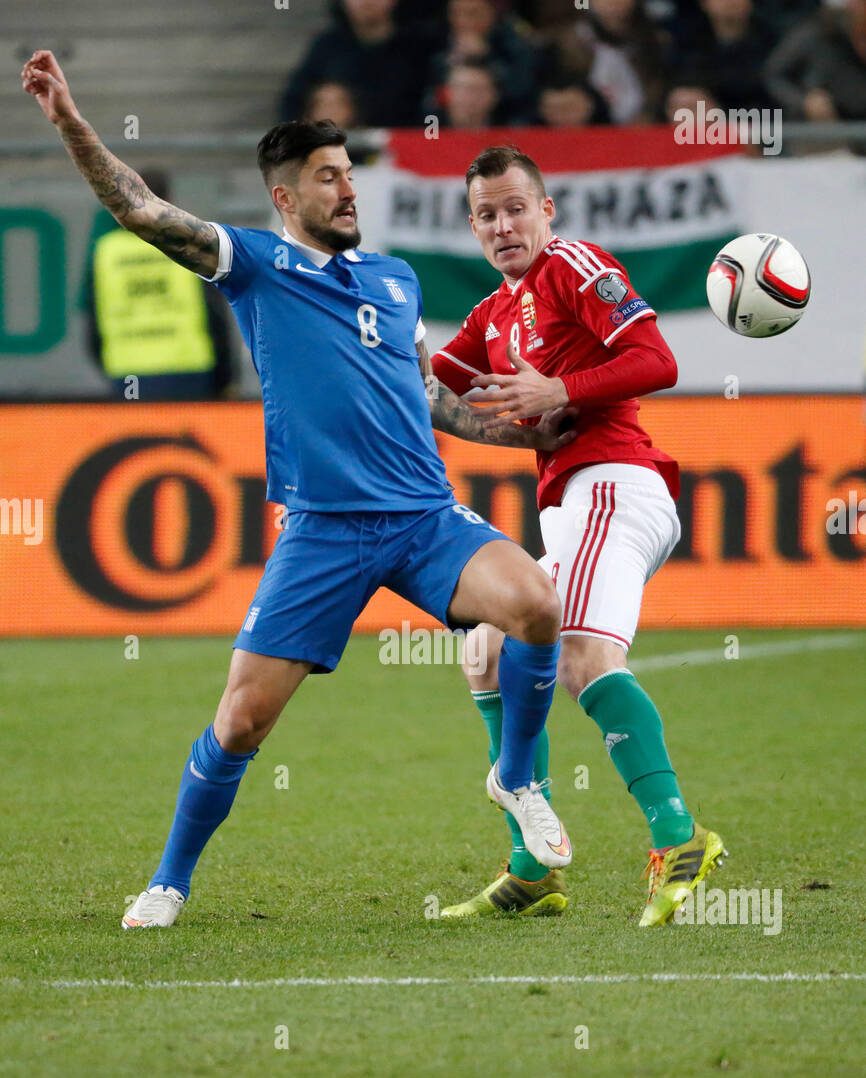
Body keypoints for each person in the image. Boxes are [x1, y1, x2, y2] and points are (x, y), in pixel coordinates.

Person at [22, 51, 575, 930]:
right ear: (287, 199)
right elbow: (140, 207)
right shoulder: (254, 264)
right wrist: (70, 122)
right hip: (323, 531)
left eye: (349, 174)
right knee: (241, 725)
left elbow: (429, 398)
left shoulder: (397, 280)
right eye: (327, 178)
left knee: (539, 607)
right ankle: (169, 881)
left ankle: (516, 777)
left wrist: (518, 430)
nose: (347, 191)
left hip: (425, 519)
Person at [431, 146, 726, 925]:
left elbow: (655, 360)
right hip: (571, 498)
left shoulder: (573, 265)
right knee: (486, 649)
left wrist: (563, 388)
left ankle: (681, 836)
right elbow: (438, 389)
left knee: (582, 655)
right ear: (472, 226)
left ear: (545, 210)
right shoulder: (491, 315)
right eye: (487, 215)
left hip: (614, 483)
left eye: (515, 207)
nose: (503, 225)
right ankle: (533, 868)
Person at [80, 168, 235, 402]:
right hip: (189, 369)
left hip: (127, 371)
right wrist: (226, 377)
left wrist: (107, 364)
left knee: (143, 438)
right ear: (167, 201)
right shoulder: (188, 242)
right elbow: (214, 313)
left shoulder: (105, 251)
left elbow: (93, 319)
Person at [279, 0, 438, 128]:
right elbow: (294, 100)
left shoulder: (420, 47)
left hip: (405, 153)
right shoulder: (327, 46)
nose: (366, 2)